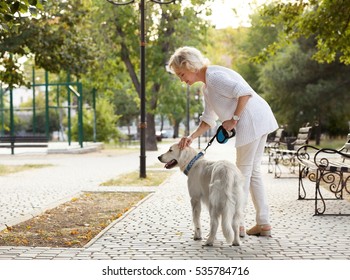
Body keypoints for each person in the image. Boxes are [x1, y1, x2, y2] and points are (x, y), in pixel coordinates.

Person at [167, 46, 278, 237]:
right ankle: (263, 223)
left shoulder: (214, 77)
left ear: (189, 65)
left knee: (241, 174)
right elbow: (208, 120)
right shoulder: (207, 87)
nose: (181, 79)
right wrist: (191, 137)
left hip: (251, 121)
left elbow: (244, 92)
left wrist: (234, 118)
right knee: (253, 172)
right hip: (260, 118)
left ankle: (238, 225)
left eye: (181, 73)